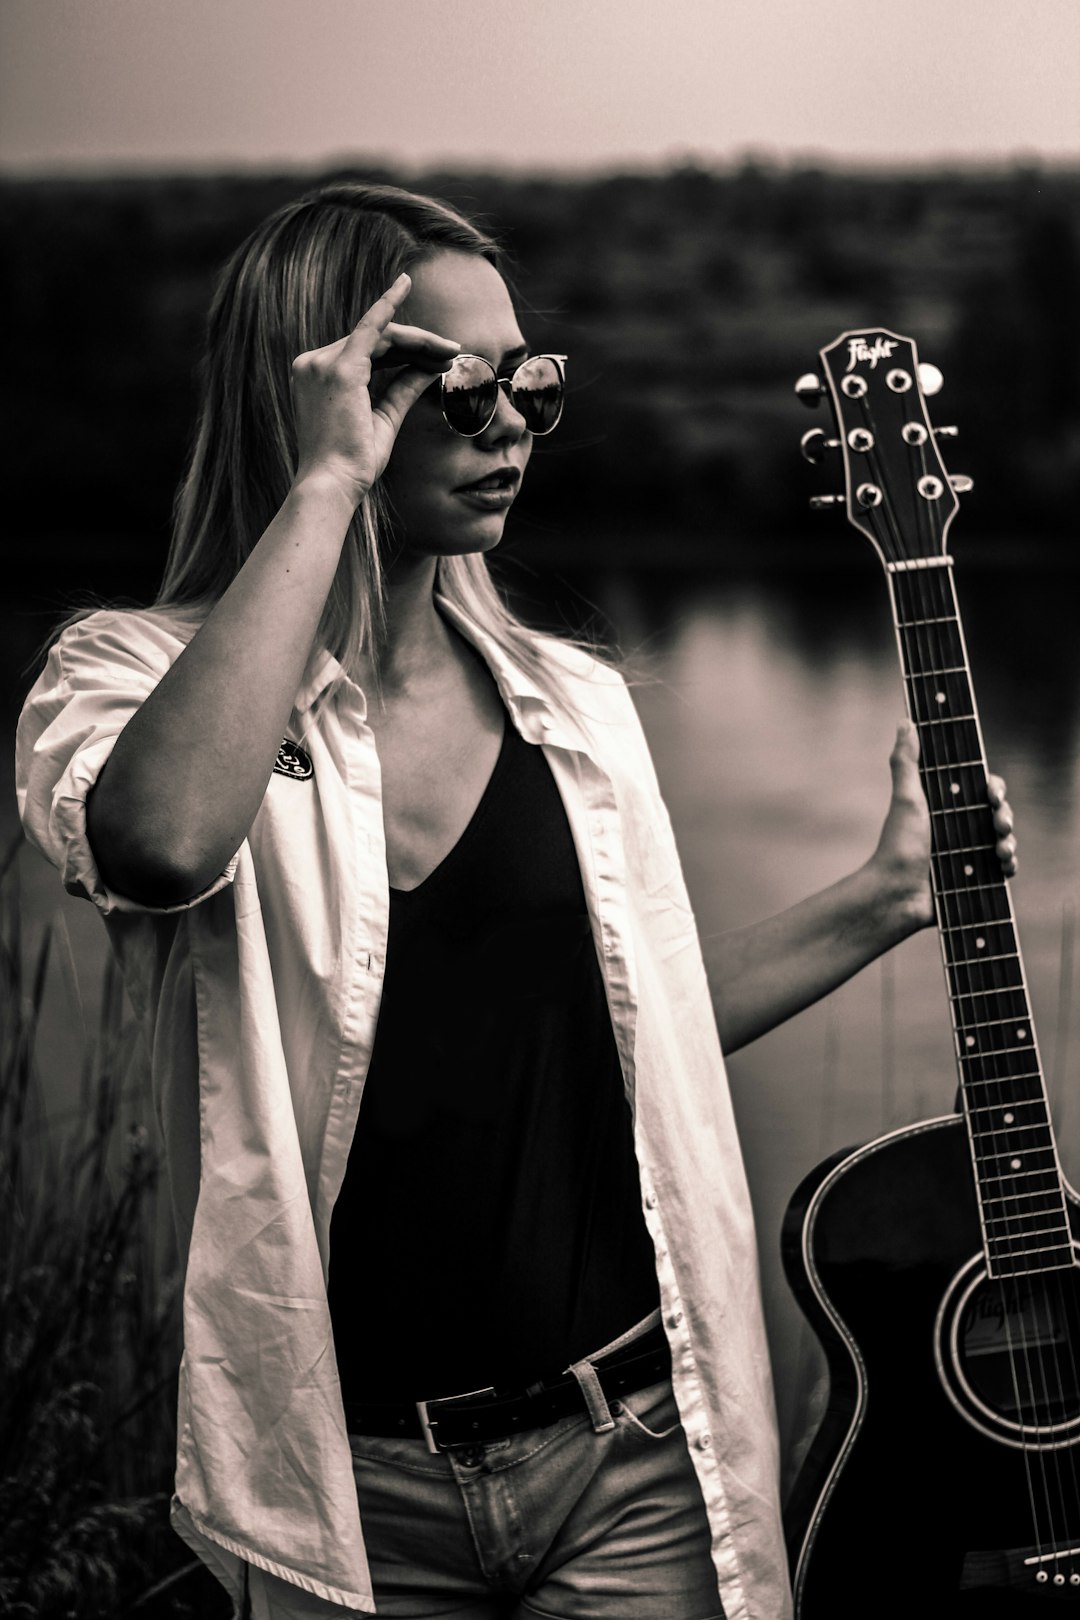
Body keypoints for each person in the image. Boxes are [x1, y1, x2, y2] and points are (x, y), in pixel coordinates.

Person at [15, 183, 1017, 1620]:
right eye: (449, 387)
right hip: (350, 1494)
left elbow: (636, 1026)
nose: (509, 429)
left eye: (529, 385)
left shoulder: (574, 705)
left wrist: (885, 896)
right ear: (323, 397)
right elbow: (164, 843)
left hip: (632, 1470)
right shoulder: (124, 681)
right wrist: (323, 489)